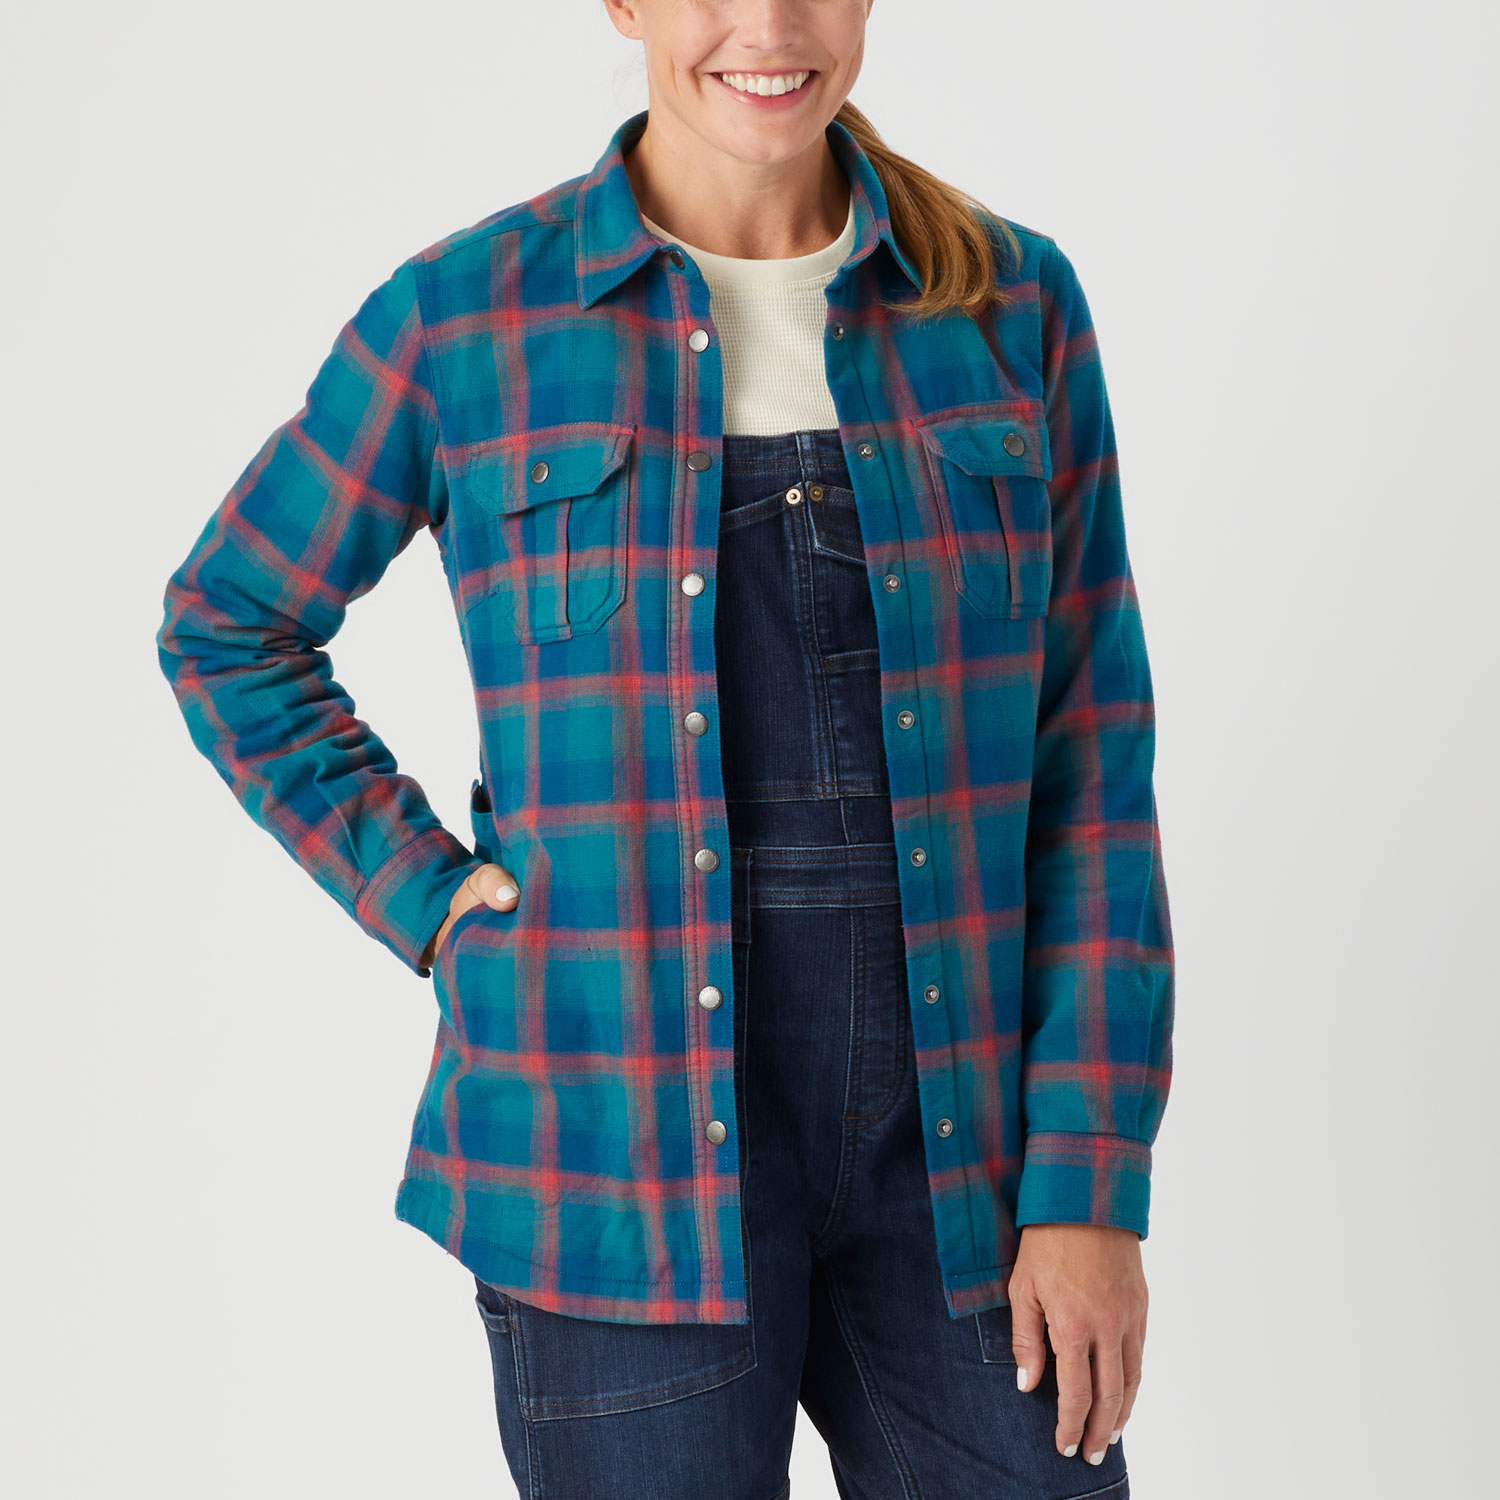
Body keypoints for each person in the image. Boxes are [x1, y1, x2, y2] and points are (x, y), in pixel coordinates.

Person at [156, 1, 1175, 1494]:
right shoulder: (464, 320)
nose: (768, 24)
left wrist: (1091, 1182)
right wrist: (421, 893)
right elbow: (228, 621)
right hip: (605, 1167)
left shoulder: (1010, 303)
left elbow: (1092, 762)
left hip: (968, 1172)